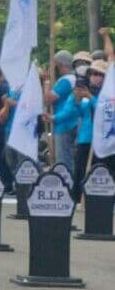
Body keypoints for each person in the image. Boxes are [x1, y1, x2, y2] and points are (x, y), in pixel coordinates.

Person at [57, 59, 105, 196]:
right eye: (93, 74)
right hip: (85, 137)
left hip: (103, 139)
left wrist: (91, 98)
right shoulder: (83, 89)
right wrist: (76, 100)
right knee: (80, 169)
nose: (95, 77)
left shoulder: (108, 93)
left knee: (100, 170)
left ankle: (101, 197)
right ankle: (78, 197)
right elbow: (73, 112)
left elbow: (105, 110)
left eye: (99, 74)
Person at [46, 49, 78, 171]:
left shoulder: (67, 80)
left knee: (63, 160)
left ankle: (67, 184)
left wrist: (47, 83)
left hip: (63, 124)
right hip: (70, 122)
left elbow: (49, 98)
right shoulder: (75, 78)